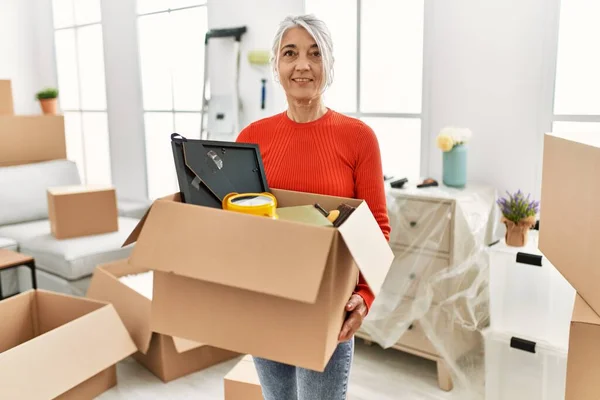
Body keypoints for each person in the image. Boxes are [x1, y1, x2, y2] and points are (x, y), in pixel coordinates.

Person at [235, 14, 391, 400]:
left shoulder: (358, 139)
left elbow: (378, 229)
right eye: (290, 53)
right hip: (267, 303)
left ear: (328, 65)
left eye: (314, 54)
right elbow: (238, 228)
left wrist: (365, 297)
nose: (302, 65)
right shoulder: (252, 138)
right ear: (277, 65)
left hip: (327, 309)